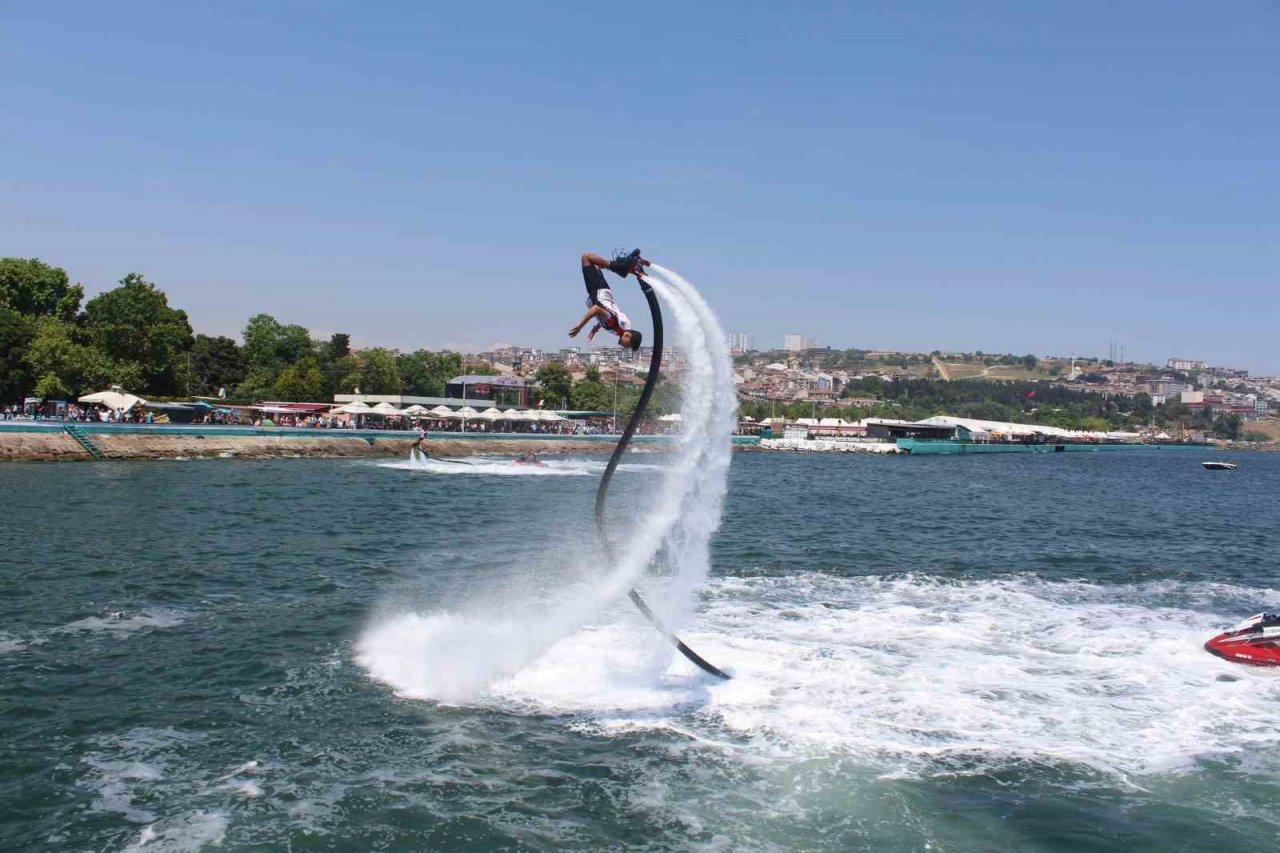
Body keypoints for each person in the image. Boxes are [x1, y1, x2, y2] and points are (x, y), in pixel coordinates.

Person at [568, 250, 649, 351]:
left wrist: (596, 327)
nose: (624, 346)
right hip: (598, 290)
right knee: (587, 257)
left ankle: (625, 268)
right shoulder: (615, 325)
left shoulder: (622, 327)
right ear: (628, 336)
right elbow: (596, 309)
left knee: (595, 264)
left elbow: (605, 315)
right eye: (627, 345)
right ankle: (622, 268)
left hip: (602, 291)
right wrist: (580, 326)